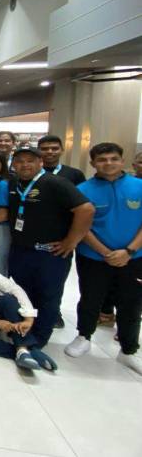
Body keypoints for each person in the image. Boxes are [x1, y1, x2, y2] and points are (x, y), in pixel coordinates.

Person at [65, 143, 142, 374]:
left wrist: (128, 251)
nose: (108, 163)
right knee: (91, 297)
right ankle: (83, 336)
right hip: (94, 257)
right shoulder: (83, 189)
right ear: (93, 163)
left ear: (122, 160)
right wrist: (104, 252)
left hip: (134, 257)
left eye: (113, 159)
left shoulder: (138, 186)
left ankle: (128, 350)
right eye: (102, 159)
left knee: (131, 303)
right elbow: (81, 226)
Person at [7, 147, 94, 348]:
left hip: (49, 253)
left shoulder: (55, 183)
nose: (24, 165)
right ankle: (25, 329)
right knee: (22, 292)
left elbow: (86, 209)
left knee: (48, 296)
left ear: (40, 163)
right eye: (19, 161)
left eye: (30, 161)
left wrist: (71, 241)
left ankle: (39, 338)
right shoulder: (14, 183)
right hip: (21, 249)